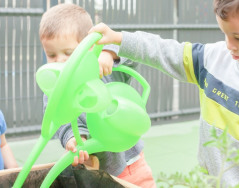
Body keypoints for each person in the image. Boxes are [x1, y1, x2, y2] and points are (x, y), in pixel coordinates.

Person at [89, 0, 239, 187]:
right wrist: (120, 40)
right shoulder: (213, 60)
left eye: (238, 37)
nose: (229, 45)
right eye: (225, 34)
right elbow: (163, 50)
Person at [39, 3, 155, 187]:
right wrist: (75, 139)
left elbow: (132, 55)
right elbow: (60, 120)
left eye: (68, 53)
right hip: (96, 171)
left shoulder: (104, 70)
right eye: (51, 55)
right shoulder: (55, 87)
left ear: (90, 47)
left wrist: (110, 54)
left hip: (131, 164)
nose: (59, 60)